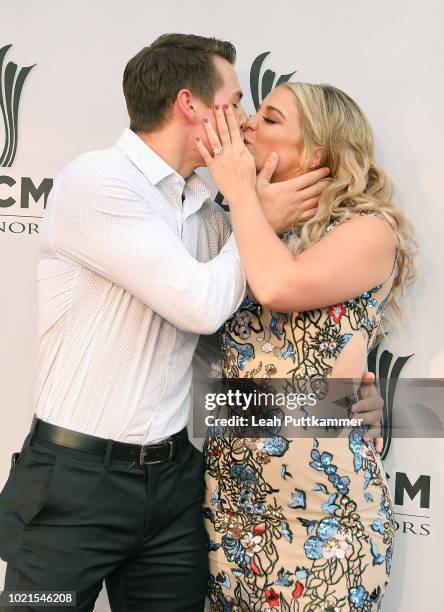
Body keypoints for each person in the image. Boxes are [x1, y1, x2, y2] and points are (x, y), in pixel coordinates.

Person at [0, 34, 384, 612]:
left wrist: (352, 397)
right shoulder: (101, 182)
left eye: (262, 113)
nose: (245, 122)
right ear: (190, 105)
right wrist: (257, 208)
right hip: (77, 485)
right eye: (236, 102)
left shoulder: (211, 212)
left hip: (181, 486)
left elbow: (232, 347)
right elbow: (205, 310)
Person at [197, 85, 416, 611]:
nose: (246, 126)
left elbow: (279, 287)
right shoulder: (233, 227)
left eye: (269, 119)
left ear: (316, 152)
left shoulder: (369, 230)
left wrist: (241, 194)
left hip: (326, 512)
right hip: (232, 503)